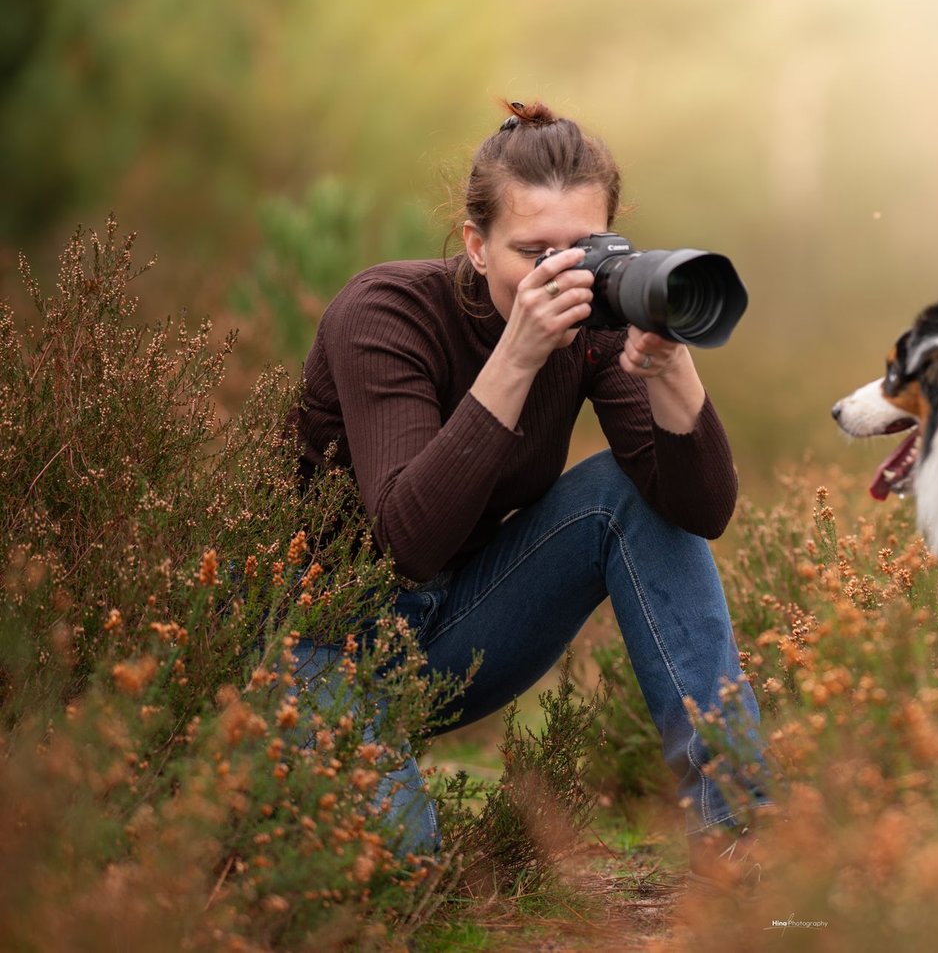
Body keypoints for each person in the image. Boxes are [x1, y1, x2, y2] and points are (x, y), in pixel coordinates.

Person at [292, 98, 768, 871]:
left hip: (456, 632)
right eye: (533, 250)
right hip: (319, 636)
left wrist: (672, 370)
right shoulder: (383, 313)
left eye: (584, 248)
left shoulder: (593, 326)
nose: (562, 272)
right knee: (395, 863)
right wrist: (516, 356)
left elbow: (699, 510)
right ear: (478, 247)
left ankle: (744, 831)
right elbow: (406, 541)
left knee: (625, 494)